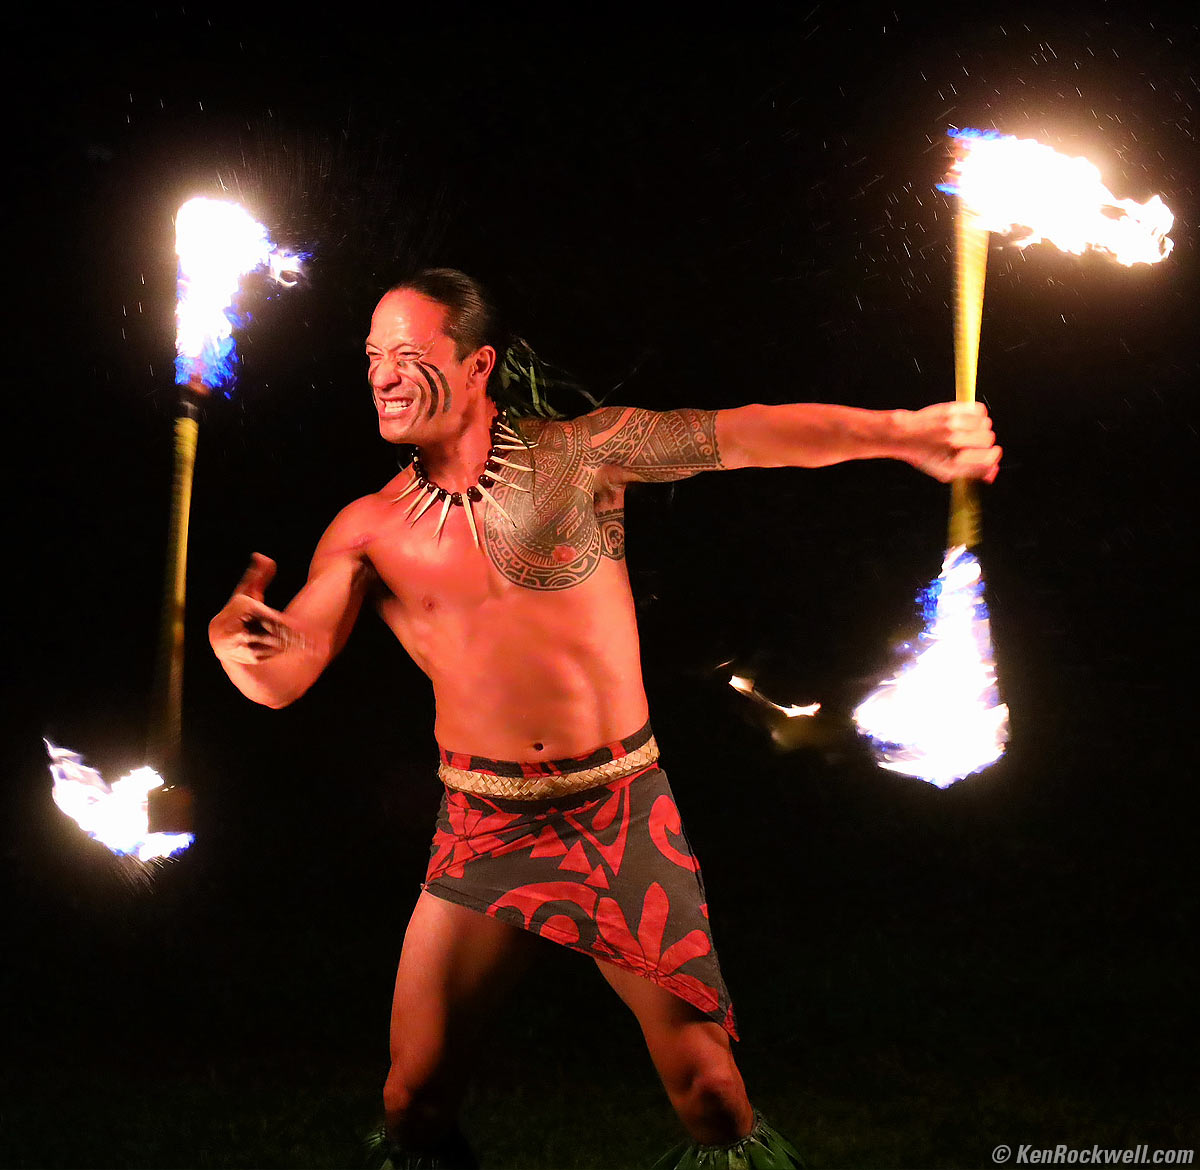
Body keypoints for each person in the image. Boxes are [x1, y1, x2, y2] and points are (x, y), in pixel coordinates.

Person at [209, 268, 1000, 1169]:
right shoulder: (367, 530)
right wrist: (243, 649)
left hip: (616, 813)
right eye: (372, 359)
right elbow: (287, 670)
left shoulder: (582, 456)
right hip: (484, 827)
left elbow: (743, 435)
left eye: (410, 356)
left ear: (477, 367)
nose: (383, 376)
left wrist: (906, 434)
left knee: (712, 1092)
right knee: (410, 1098)